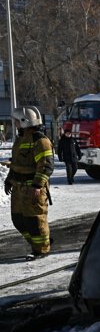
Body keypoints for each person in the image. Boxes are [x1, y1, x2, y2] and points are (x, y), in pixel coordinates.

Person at [4, 107, 55, 260]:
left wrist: (38, 186)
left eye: (17, 121)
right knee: (18, 219)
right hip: (19, 188)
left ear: (25, 121)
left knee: (34, 220)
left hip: (32, 188)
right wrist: (9, 179)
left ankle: (42, 249)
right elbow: (16, 163)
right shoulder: (20, 139)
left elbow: (46, 166)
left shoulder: (40, 141)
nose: (15, 124)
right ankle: (38, 243)